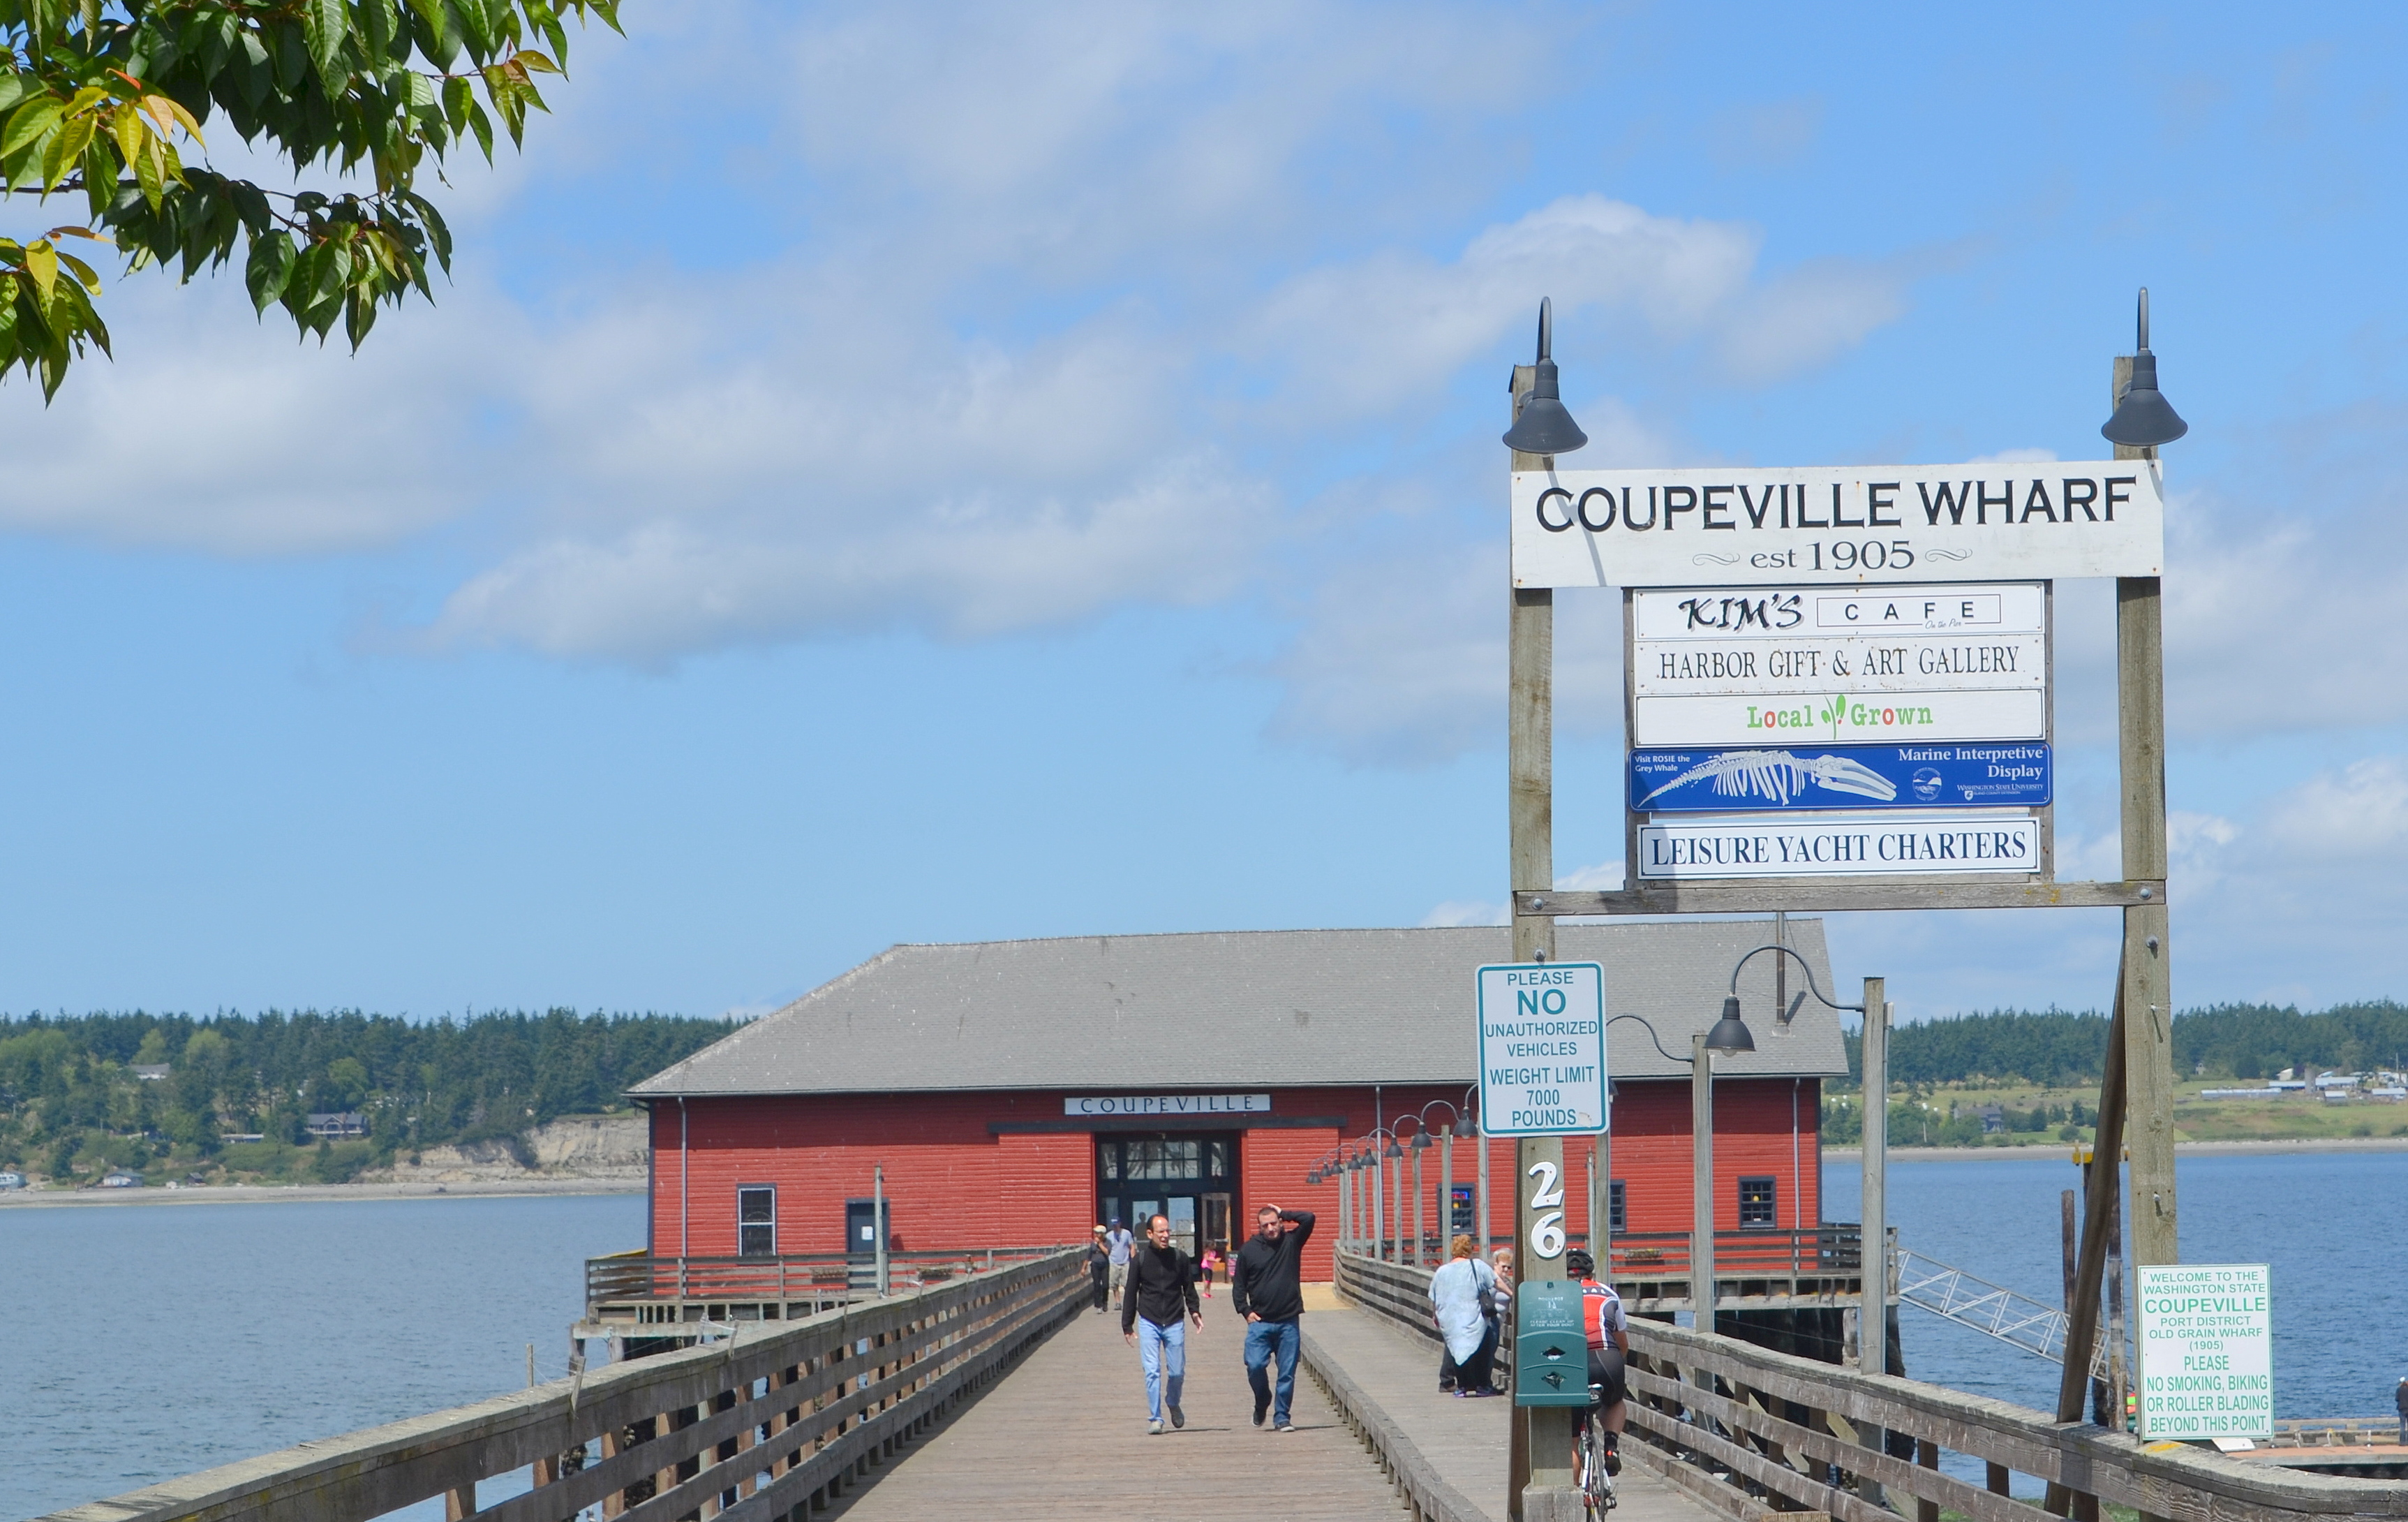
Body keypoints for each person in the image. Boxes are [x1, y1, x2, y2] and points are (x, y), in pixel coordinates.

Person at [1230, 1201, 1316, 1431]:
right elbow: (1239, 1286)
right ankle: (1262, 1399)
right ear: (1259, 1228)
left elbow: (1309, 1218)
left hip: (1288, 1321)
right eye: (1265, 1225)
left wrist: (1283, 1212)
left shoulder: (1292, 1242)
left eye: (1274, 1223)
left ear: (1280, 1223)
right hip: (1260, 1322)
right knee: (1254, 1365)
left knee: (1287, 1373)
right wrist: (1245, 1310)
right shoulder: (1249, 1250)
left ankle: (1282, 1417)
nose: (1271, 1229)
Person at [1121, 1213, 1202, 1434]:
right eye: (1161, 1232)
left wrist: (1194, 1311)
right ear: (1150, 1234)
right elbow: (1131, 1292)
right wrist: (1127, 1324)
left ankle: (1173, 1402)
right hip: (1149, 1321)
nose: (1166, 1235)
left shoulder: (1180, 1258)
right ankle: (1156, 1418)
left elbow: (1189, 1287)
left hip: (1174, 1320)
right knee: (1152, 1371)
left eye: (1168, 1231)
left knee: (1177, 1372)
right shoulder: (1140, 1260)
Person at [1566, 1248, 1629, 1477]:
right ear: (1591, 1273)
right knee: (1615, 1402)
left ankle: (1574, 1492)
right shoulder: (1608, 1293)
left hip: (1572, 1362)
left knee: (1572, 1442)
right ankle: (1611, 1447)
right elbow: (1622, 1343)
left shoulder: (1558, 1296)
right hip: (1608, 1358)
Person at [1428, 1233, 1502, 1396]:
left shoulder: (1442, 1271)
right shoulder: (1477, 1266)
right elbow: (1496, 1282)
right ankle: (1482, 1385)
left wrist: (1435, 1315)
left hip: (1452, 1319)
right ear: (1470, 1249)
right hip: (1474, 1317)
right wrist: (1513, 1293)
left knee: (1457, 1349)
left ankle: (1462, 1386)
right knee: (1482, 1348)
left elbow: (1434, 1297)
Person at [1104, 1216, 1135, 1303]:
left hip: (1125, 1262)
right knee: (1114, 1285)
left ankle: (1128, 1301)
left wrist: (1133, 1259)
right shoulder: (1109, 1236)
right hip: (1113, 1262)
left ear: (1120, 1224)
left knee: (1127, 1284)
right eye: (1113, 1225)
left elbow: (1132, 1246)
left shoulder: (1127, 1233)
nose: (1115, 1226)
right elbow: (1107, 1249)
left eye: (1116, 1224)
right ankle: (1118, 1302)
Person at [1087, 1226, 1112, 1312]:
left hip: (1104, 1265)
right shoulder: (1093, 1243)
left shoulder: (1108, 1242)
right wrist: (1084, 1267)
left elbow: (1107, 1252)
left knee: (1105, 1285)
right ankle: (1098, 1305)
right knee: (1097, 1285)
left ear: (1102, 1234)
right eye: (1096, 1233)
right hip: (1095, 1265)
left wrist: (1100, 1244)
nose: (1096, 1235)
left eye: (1098, 1233)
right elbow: (1089, 1255)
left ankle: (1105, 1302)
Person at [2396, 1376, 2407, 1445]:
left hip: (2402, 1408)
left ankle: (2402, 1441)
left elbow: (2397, 1399)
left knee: (2402, 1425)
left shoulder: (2399, 1390)